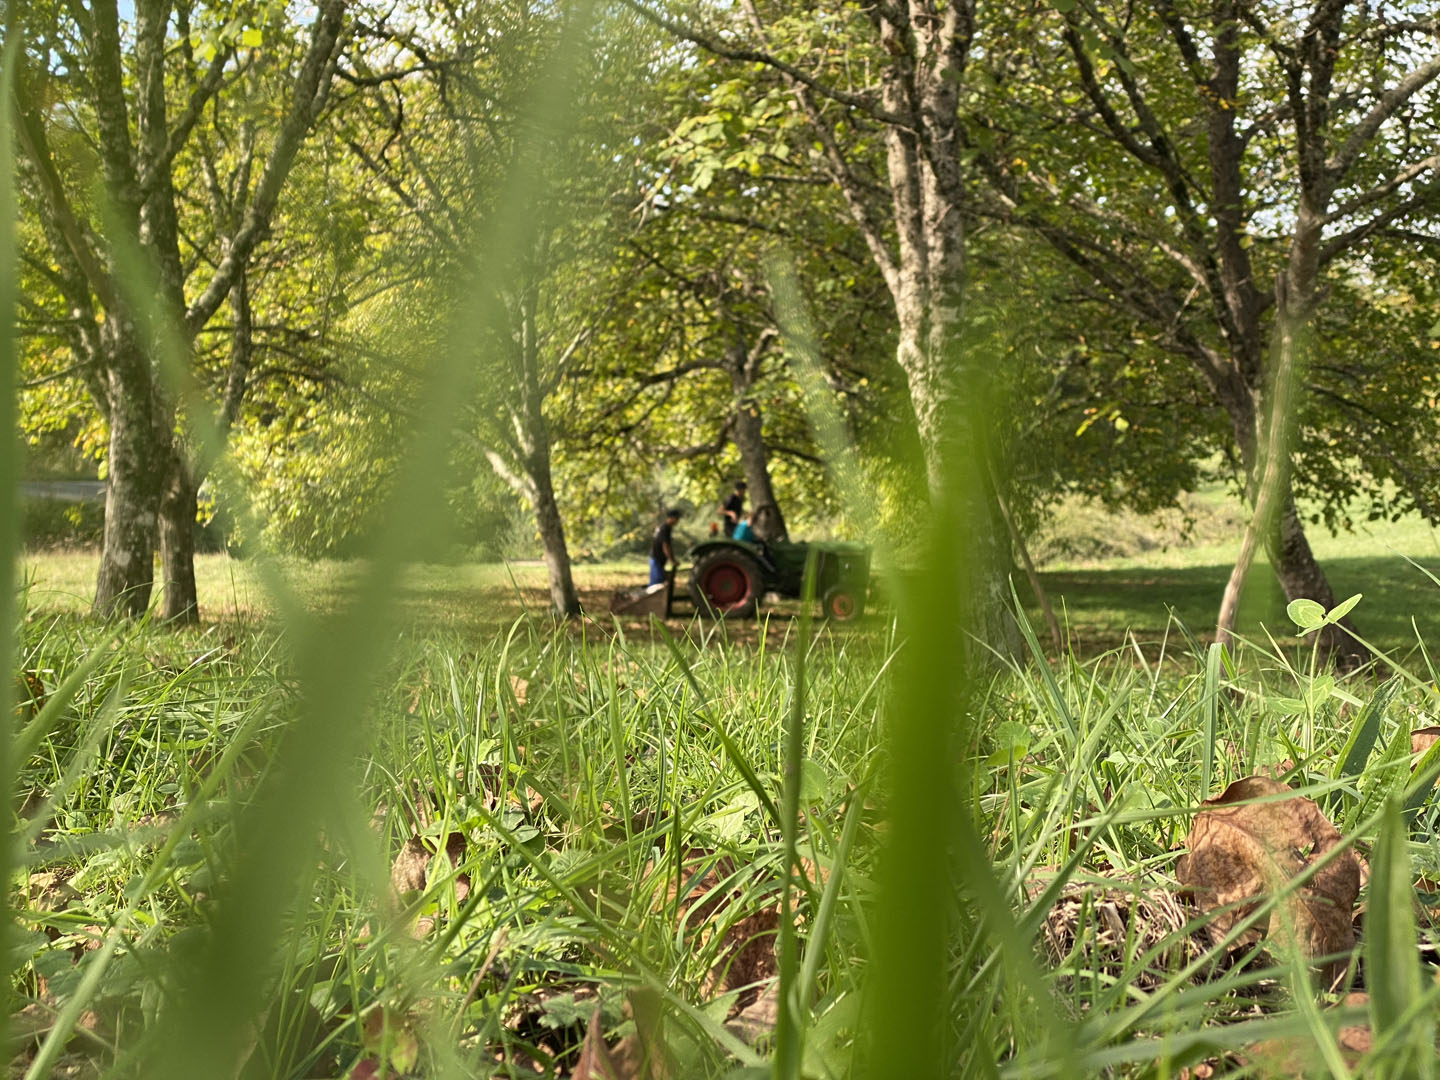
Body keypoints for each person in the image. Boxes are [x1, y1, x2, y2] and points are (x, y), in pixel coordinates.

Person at [649, 508, 681, 586]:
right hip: (656, 559)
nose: (678, 521)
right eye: (677, 518)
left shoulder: (663, 527)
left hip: (658, 560)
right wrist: (672, 560)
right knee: (656, 585)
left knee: (659, 582)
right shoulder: (665, 528)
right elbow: (666, 546)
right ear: (672, 518)